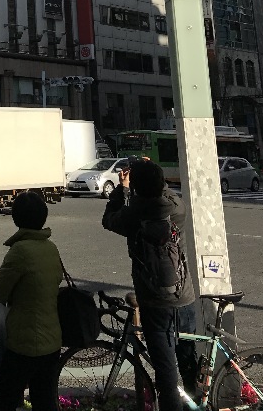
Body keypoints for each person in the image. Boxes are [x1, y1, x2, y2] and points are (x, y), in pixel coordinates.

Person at [102, 160, 197, 411]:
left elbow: (108, 219)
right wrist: (153, 172)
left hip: (154, 302)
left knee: (166, 372)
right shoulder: (177, 208)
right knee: (187, 359)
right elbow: (164, 191)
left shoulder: (133, 215)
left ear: (137, 186)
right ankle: (195, 402)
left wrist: (122, 189)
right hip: (183, 295)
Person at [0, 191, 63, 411]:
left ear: (16, 218)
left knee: (5, 401)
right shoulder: (51, 248)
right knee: (44, 400)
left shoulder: (20, 250)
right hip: (52, 339)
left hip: (25, 341)